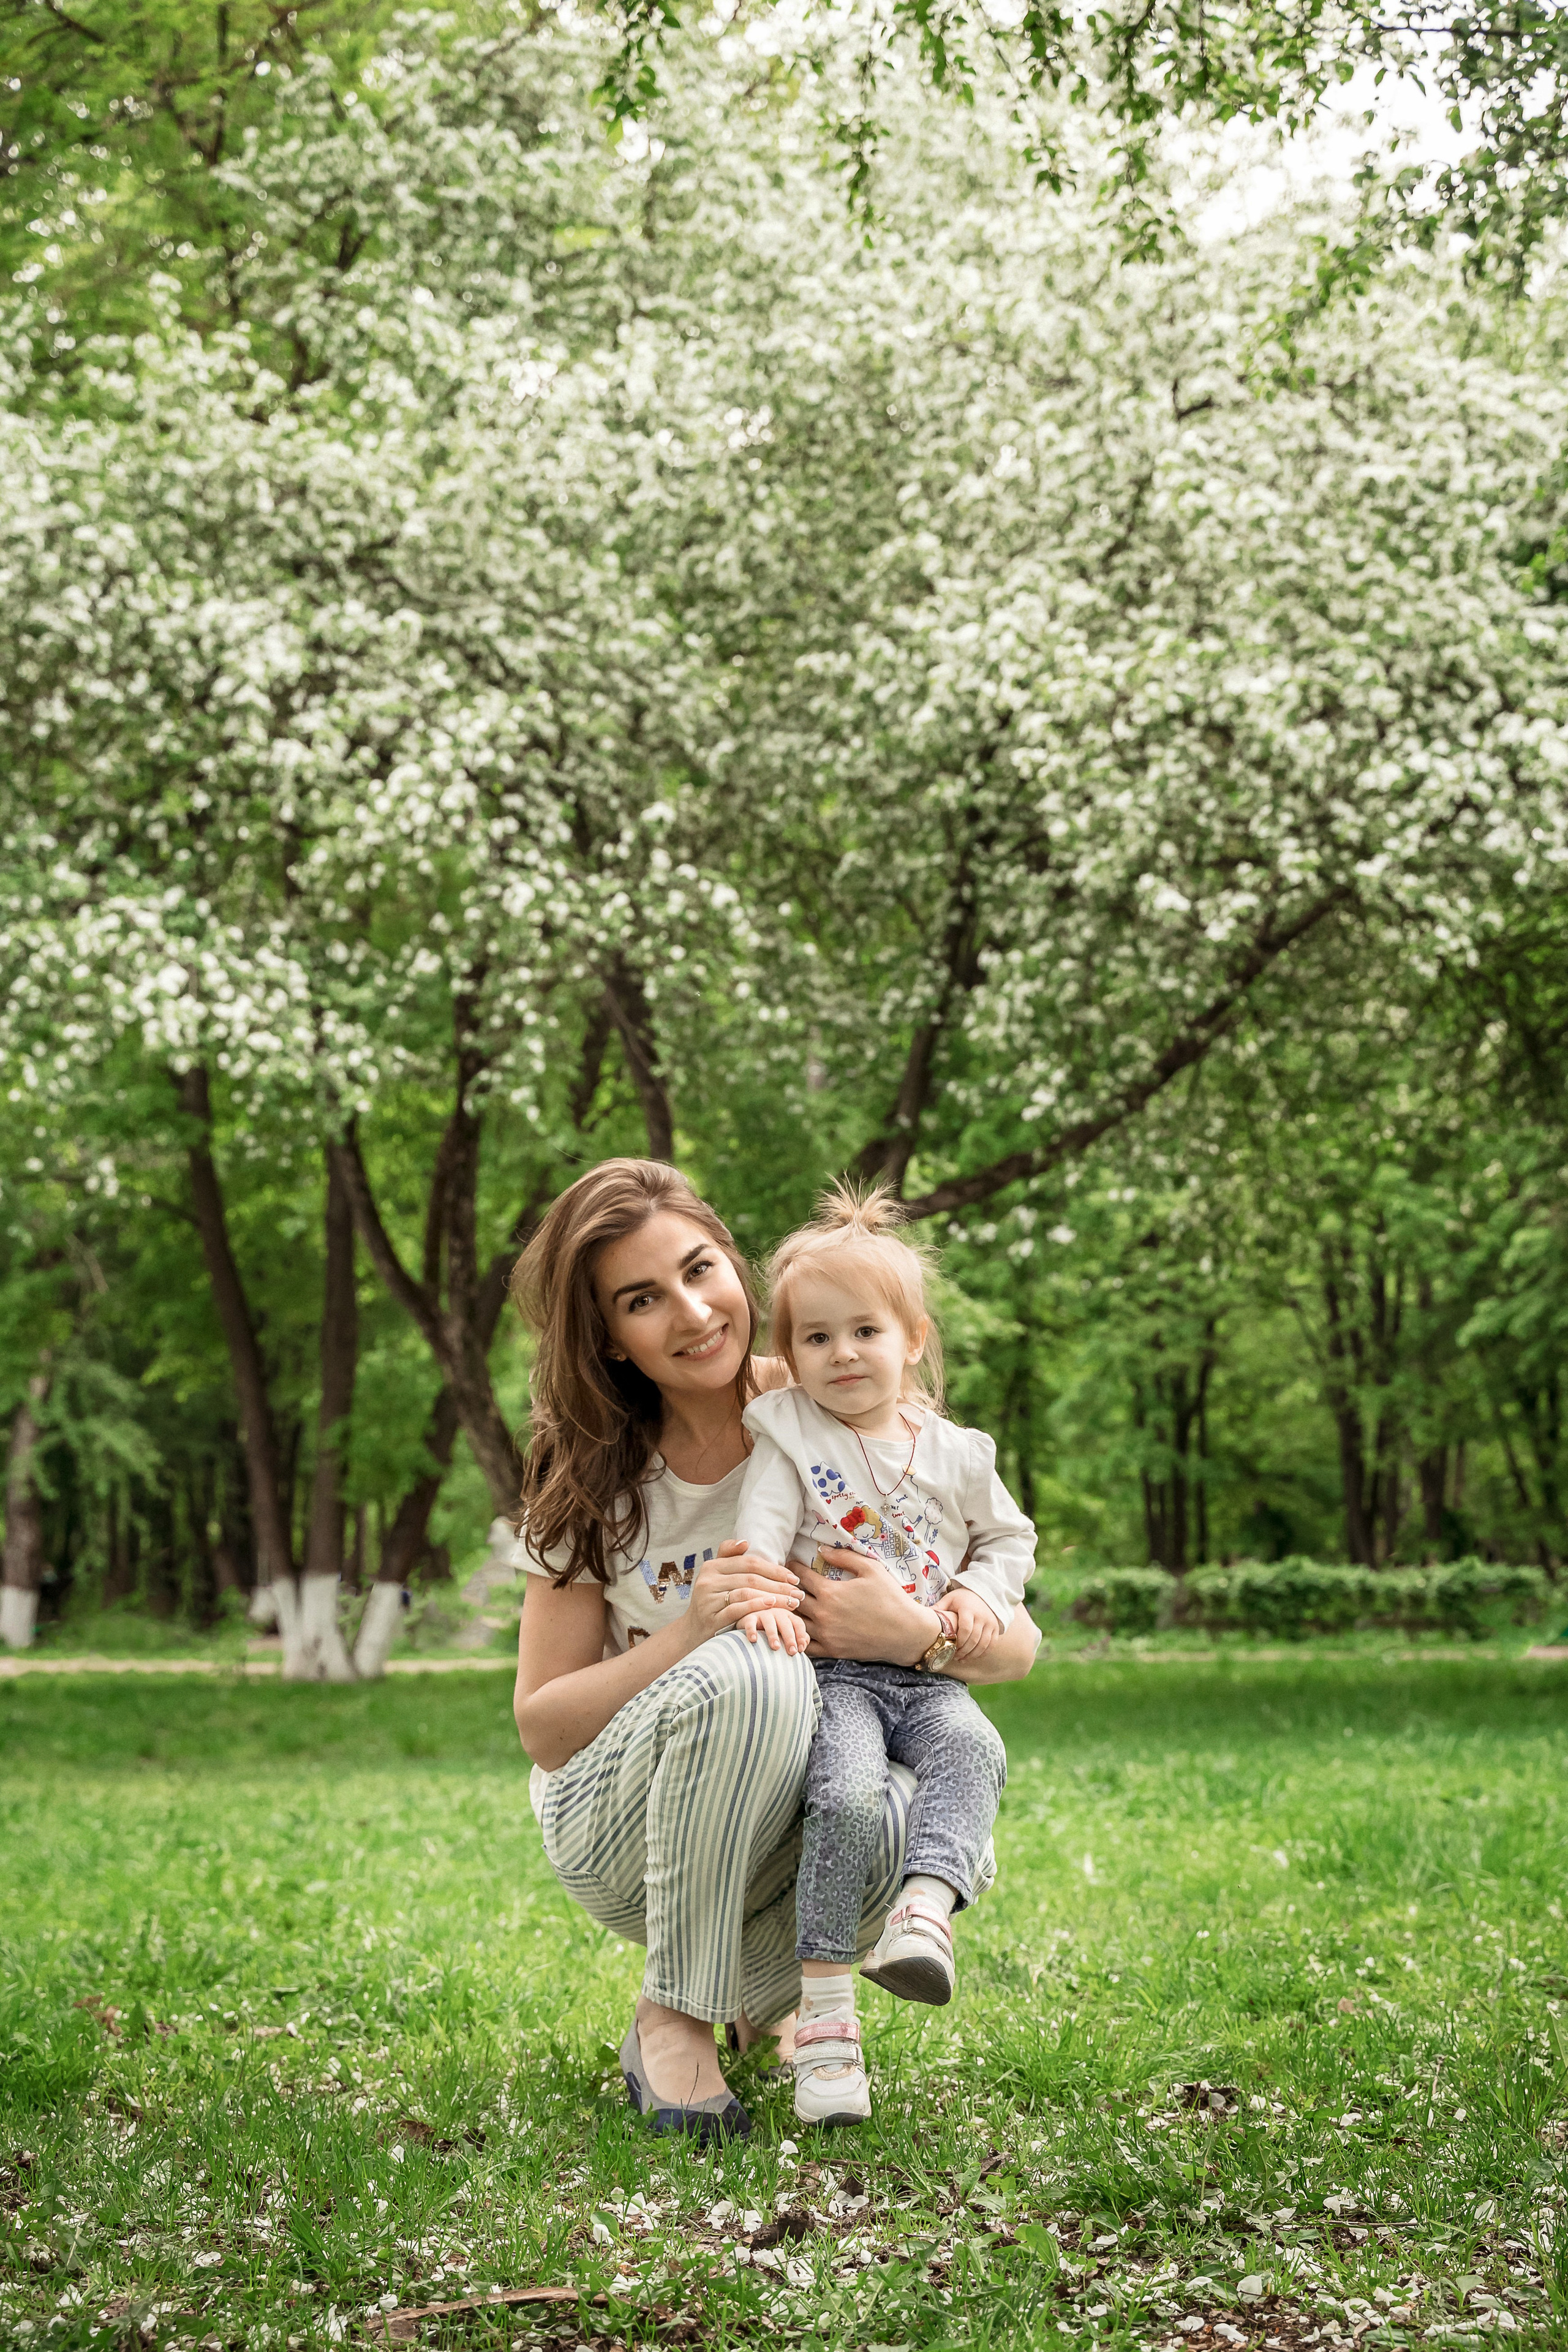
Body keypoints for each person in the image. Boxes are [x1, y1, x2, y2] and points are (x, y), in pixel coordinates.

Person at [510, 1158, 1040, 2142]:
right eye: (641, 1300)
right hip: (618, 1819)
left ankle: (770, 2000)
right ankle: (673, 2014)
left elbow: (1018, 1648)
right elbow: (543, 1729)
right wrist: (690, 1630)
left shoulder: (840, 1390)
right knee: (759, 1665)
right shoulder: (587, 1473)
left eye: (700, 1268)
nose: (692, 1311)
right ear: (612, 1341)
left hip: (771, 1810)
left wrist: (917, 1635)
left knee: (924, 1814)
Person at [733, 1183, 1035, 2126]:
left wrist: (973, 1602)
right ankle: (825, 2016)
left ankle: (925, 1914)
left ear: (913, 1338)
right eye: (816, 1339)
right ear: (791, 1358)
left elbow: (1008, 1543)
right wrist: (769, 1607)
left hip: (924, 1671)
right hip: (835, 1678)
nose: (842, 1354)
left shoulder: (959, 1453)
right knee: (848, 1794)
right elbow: (759, 1535)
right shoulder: (792, 1436)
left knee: (975, 1750)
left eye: (864, 1331)